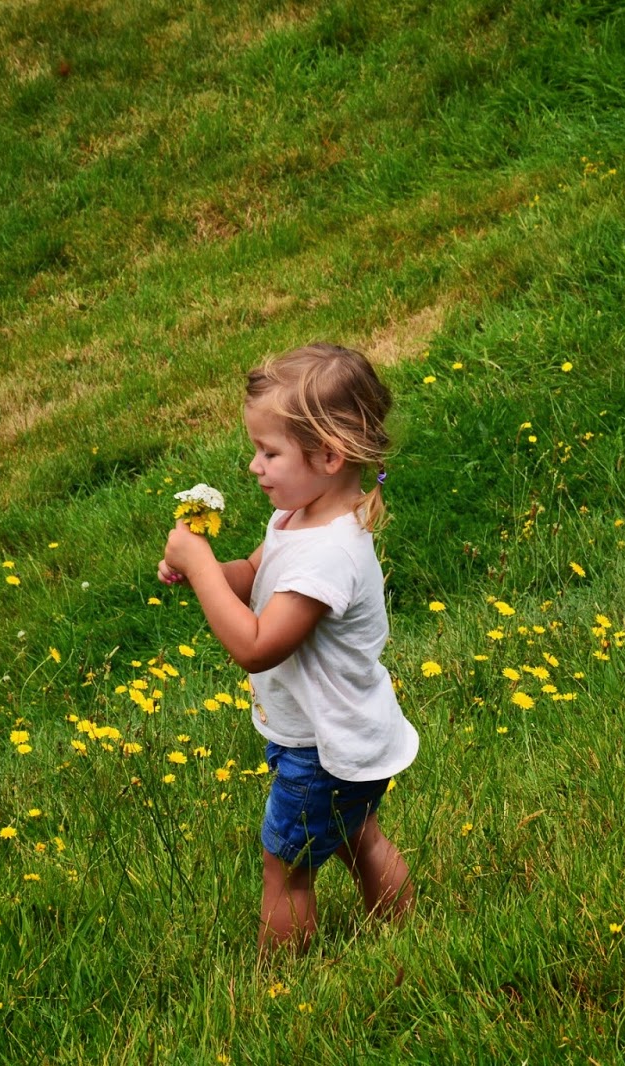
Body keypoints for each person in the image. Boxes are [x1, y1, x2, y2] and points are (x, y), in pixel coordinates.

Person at [159, 342, 418, 959]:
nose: (254, 466)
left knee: (286, 869)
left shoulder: (327, 555)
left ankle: (280, 983)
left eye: (269, 452)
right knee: (358, 835)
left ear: (329, 455)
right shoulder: (297, 520)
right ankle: (404, 934)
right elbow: (255, 575)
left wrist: (200, 567)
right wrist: (205, 571)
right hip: (340, 733)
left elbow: (256, 647)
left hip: (321, 750)